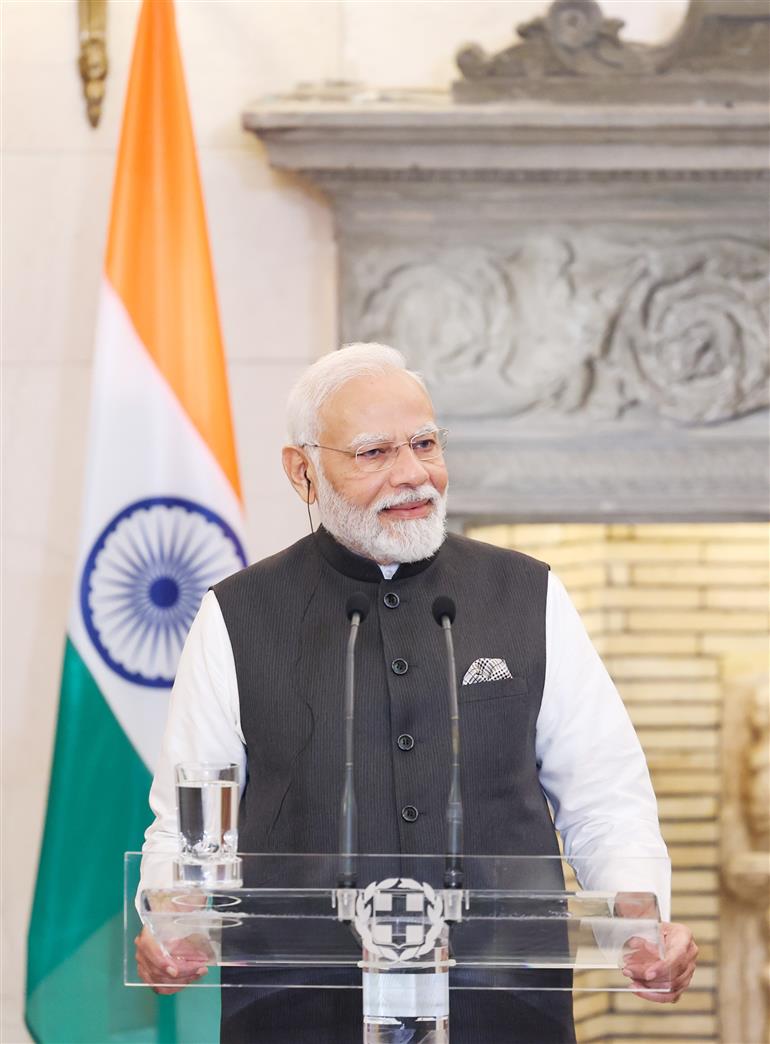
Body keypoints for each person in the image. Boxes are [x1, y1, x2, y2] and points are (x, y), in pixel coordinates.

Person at [136, 343, 698, 1042]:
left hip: (503, 1012)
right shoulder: (236, 615)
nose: (413, 475)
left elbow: (604, 799)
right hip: (299, 1016)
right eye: (374, 453)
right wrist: (177, 917)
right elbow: (194, 824)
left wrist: (636, 923)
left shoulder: (527, 594)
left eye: (425, 444)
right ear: (302, 470)